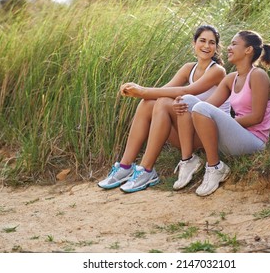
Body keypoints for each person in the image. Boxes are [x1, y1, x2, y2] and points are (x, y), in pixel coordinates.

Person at [97, 25, 230, 193]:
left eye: (212, 43)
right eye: (202, 41)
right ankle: (125, 166)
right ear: (194, 43)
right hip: (189, 132)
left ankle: (146, 170)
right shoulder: (188, 68)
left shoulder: (217, 71)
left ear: (216, 48)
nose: (206, 46)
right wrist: (138, 91)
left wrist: (142, 90)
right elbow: (163, 92)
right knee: (148, 103)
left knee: (160, 101)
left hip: (210, 135)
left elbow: (186, 91)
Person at [173, 30, 270, 196]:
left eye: (234, 44)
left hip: (254, 141)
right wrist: (185, 108)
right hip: (234, 138)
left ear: (248, 50)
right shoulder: (231, 78)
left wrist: (223, 123)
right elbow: (206, 106)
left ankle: (215, 167)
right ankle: (187, 160)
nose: (228, 48)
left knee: (200, 108)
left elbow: (256, 117)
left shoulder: (258, 76)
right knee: (187, 101)